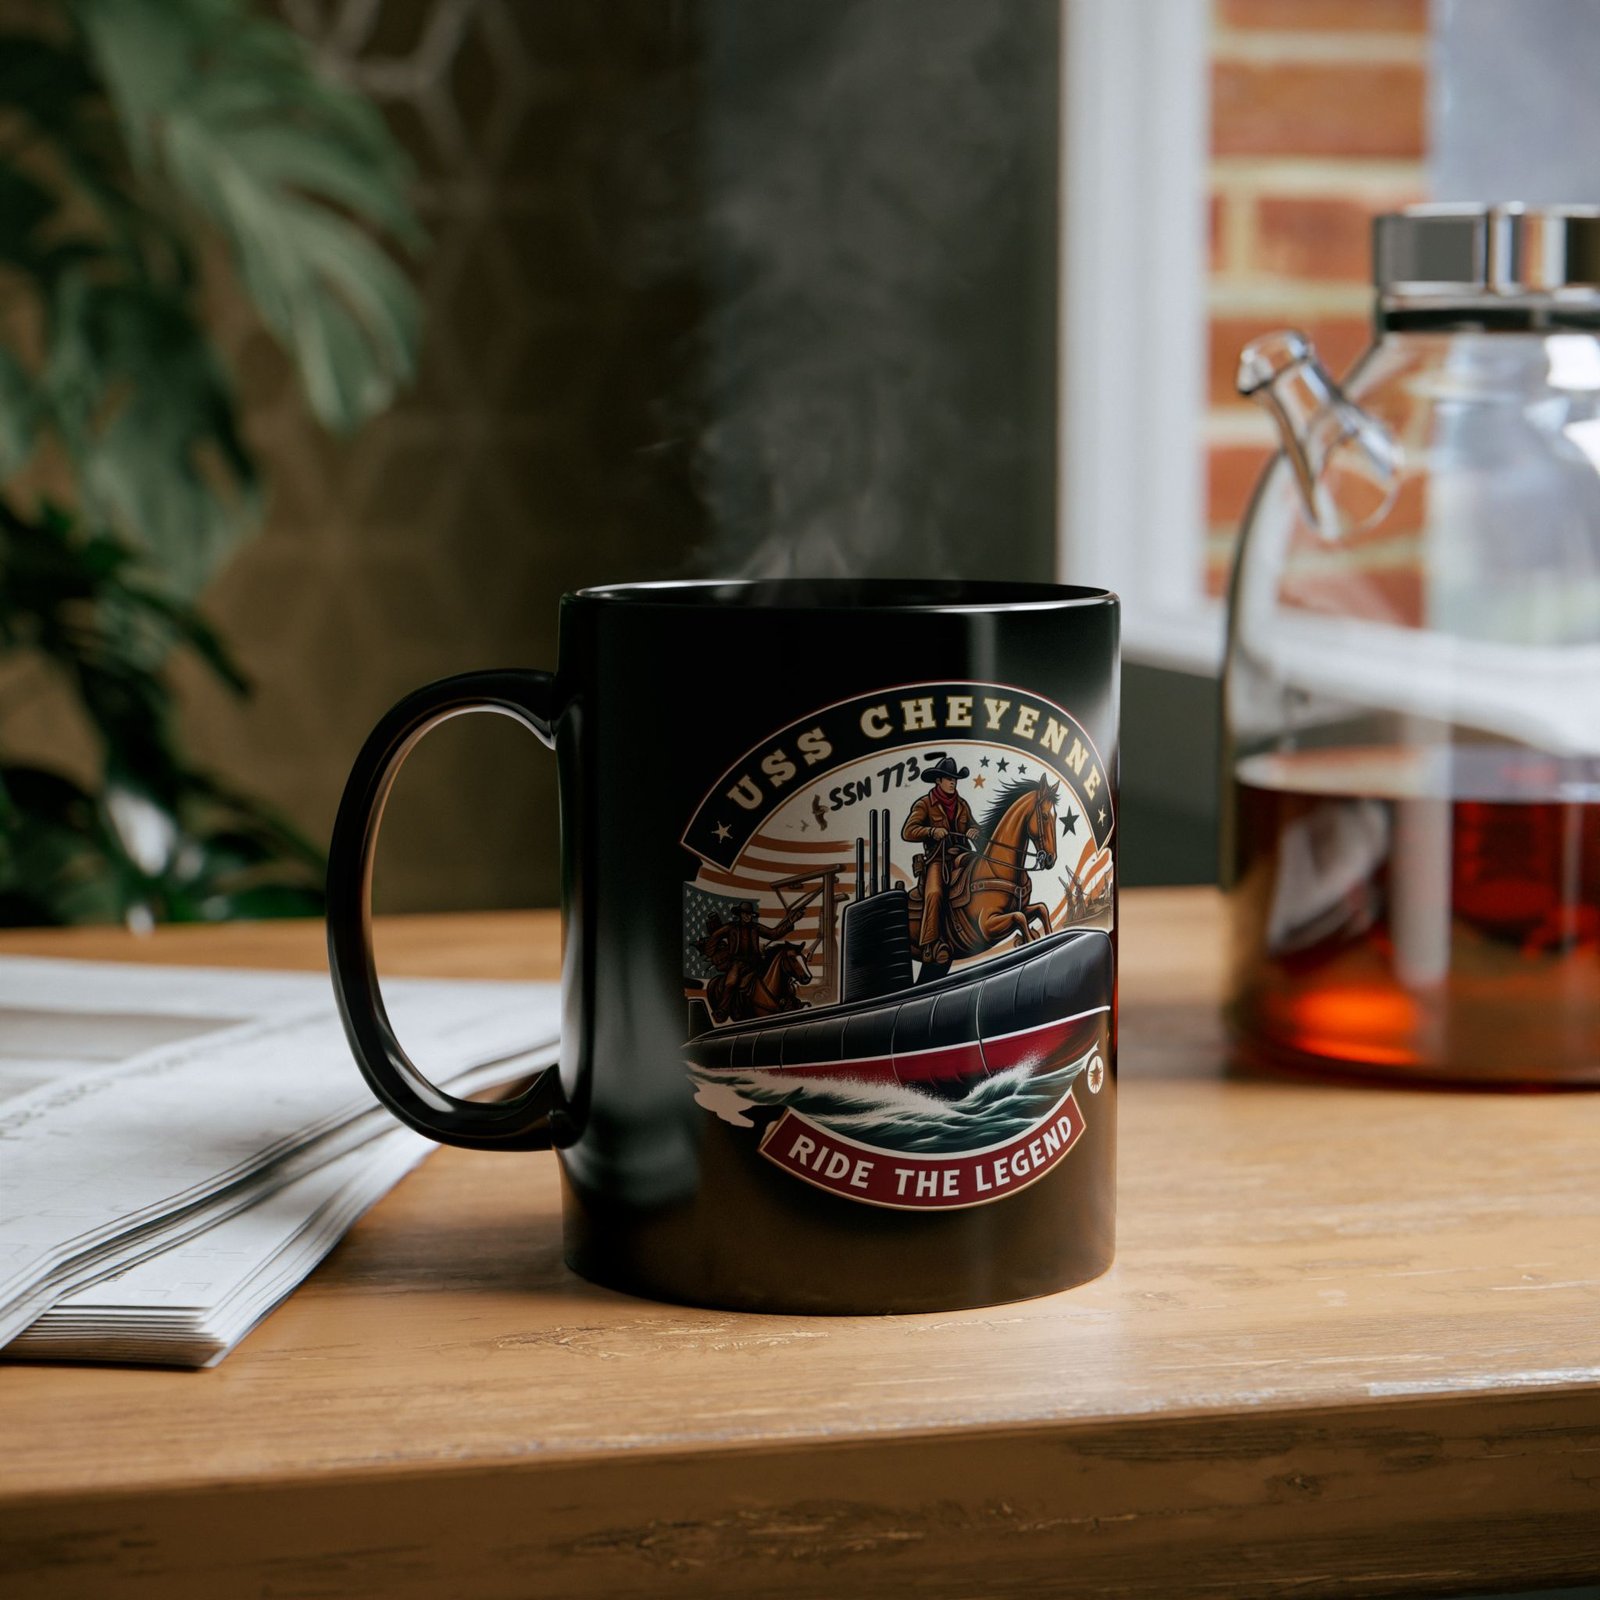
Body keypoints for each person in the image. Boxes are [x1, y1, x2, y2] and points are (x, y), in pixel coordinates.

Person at [901, 755, 978, 968]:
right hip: (938, 858)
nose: (953, 782)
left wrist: (975, 831)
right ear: (938, 781)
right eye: (948, 778)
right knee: (934, 892)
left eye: (954, 778)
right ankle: (930, 944)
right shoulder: (925, 804)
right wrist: (932, 831)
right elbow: (908, 831)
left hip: (962, 854)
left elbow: (976, 827)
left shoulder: (962, 805)